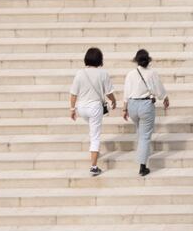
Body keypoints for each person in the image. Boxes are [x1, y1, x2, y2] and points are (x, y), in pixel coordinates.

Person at [68, 45, 118, 177]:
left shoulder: (80, 73)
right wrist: (114, 100)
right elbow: (109, 92)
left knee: (92, 131)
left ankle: (94, 151)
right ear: (99, 60)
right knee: (95, 136)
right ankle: (94, 166)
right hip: (95, 107)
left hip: (82, 108)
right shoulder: (103, 73)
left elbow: (73, 93)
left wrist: (72, 109)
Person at [122, 47, 170, 177]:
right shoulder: (151, 73)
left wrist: (124, 108)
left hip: (132, 105)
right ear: (148, 60)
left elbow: (126, 92)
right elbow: (159, 89)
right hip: (145, 105)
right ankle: (142, 166)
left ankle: (144, 152)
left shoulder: (130, 74)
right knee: (145, 136)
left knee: (140, 131)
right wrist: (164, 98)